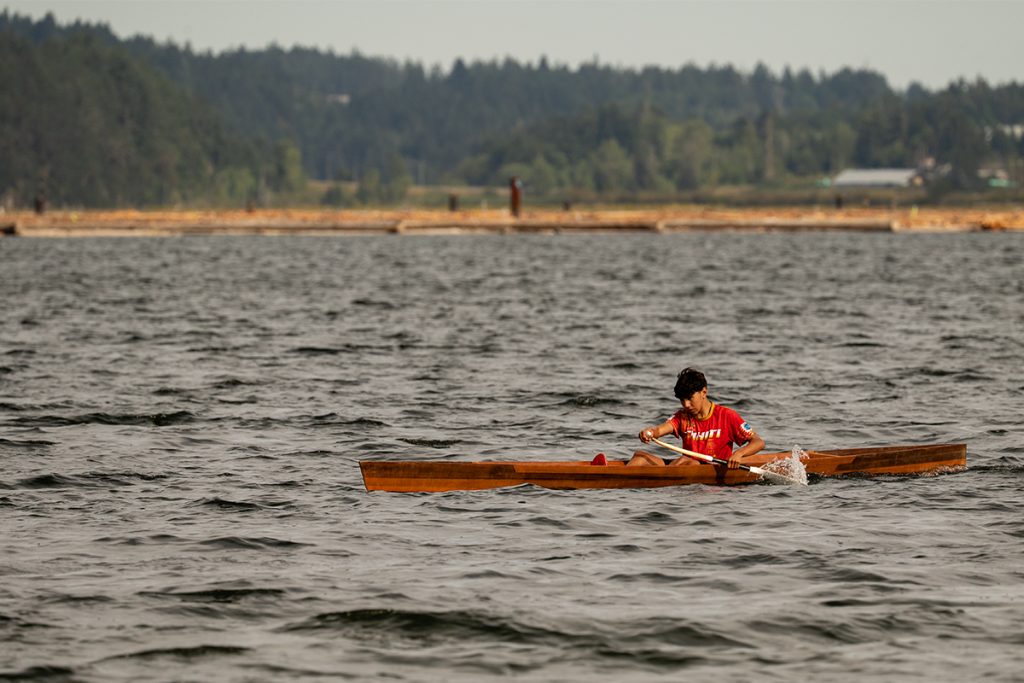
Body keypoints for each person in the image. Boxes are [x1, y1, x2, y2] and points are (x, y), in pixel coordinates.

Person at [626, 368, 764, 468]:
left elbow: (758, 442)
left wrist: (739, 454)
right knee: (640, 456)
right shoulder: (682, 417)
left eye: (690, 398)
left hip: (710, 470)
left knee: (689, 461)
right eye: (682, 400)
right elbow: (659, 430)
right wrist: (649, 433)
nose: (686, 404)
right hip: (682, 466)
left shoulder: (727, 416)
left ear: (704, 392)